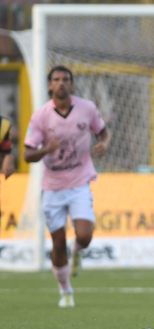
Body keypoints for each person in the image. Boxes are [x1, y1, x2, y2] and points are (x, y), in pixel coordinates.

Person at [24, 65, 111, 308]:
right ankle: (65, 292)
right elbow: (27, 154)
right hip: (52, 187)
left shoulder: (87, 108)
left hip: (80, 181)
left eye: (65, 79)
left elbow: (104, 133)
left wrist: (104, 144)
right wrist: (45, 150)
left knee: (84, 234)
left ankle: (78, 251)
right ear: (49, 85)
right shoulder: (41, 116)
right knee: (58, 243)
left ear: (72, 84)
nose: (61, 83)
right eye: (56, 79)